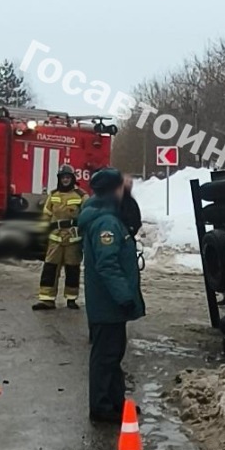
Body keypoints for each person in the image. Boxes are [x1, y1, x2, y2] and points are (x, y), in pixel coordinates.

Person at [78, 167, 145, 423]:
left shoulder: (108, 214)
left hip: (109, 304)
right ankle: (101, 406)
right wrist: (123, 296)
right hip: (108, 304)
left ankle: (115, 401)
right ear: (113, 190)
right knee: (105, 356)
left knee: (113, 353)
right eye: (120, 187)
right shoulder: (106, 222)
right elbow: (107, 265)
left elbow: (132, 217)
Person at [32, 165, 87, 310]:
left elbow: (87, 216)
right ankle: (47, 300)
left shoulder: (81, 196)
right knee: (50, 269)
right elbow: (46, 216)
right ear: (59, 179)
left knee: (72, 270)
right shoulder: (53, 195)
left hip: (72, 240)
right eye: (63, 178)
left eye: (68, 177)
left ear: (72, 179)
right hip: (55, 239)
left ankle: (71, 298)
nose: (65, 180)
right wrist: (41, 235)